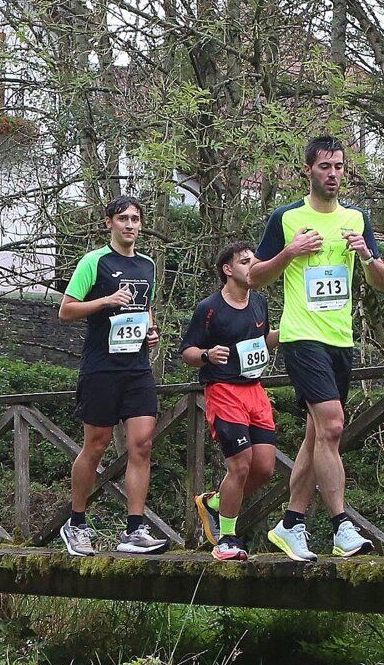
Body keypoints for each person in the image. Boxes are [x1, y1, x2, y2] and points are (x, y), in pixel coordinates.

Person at [251, 134, 384, 561]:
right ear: (308, 170)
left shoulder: (357, 218)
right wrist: (289, 253)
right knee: (331, 425)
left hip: (339, 339)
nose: (333, 174)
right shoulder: (286, 218)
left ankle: (290, 524)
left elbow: (381, 280)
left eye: (339, 167)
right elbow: (254, 277)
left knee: (316, 435)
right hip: (301, 336)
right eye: (325, 167)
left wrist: (367, 254)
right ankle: (341, 526)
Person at [57, 196, 167, 555]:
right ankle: (76, 522)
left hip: (136, 368)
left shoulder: (149, 264)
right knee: (97, 444)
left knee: (142, 444)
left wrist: (151, 331)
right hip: (101, 367)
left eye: (136, 218)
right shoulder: (94, 261)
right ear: (109, 223)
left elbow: (145, 307)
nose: (130, 225)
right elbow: (66, 311)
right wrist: (105, 301)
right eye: (123, 219)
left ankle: (134, 528)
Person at [181, 243, 279, 561]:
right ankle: (226, 539)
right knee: (240, 464)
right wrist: (208, 354)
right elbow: (188, 352)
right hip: (223, 389)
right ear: (228, 269)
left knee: (264, 468)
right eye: (245, 262)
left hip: (255, 389)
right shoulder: (209, 308)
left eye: (255, 261)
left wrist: (288, 331)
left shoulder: (260, 303)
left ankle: (212, 503)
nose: (253, 267)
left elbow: (261, 342)